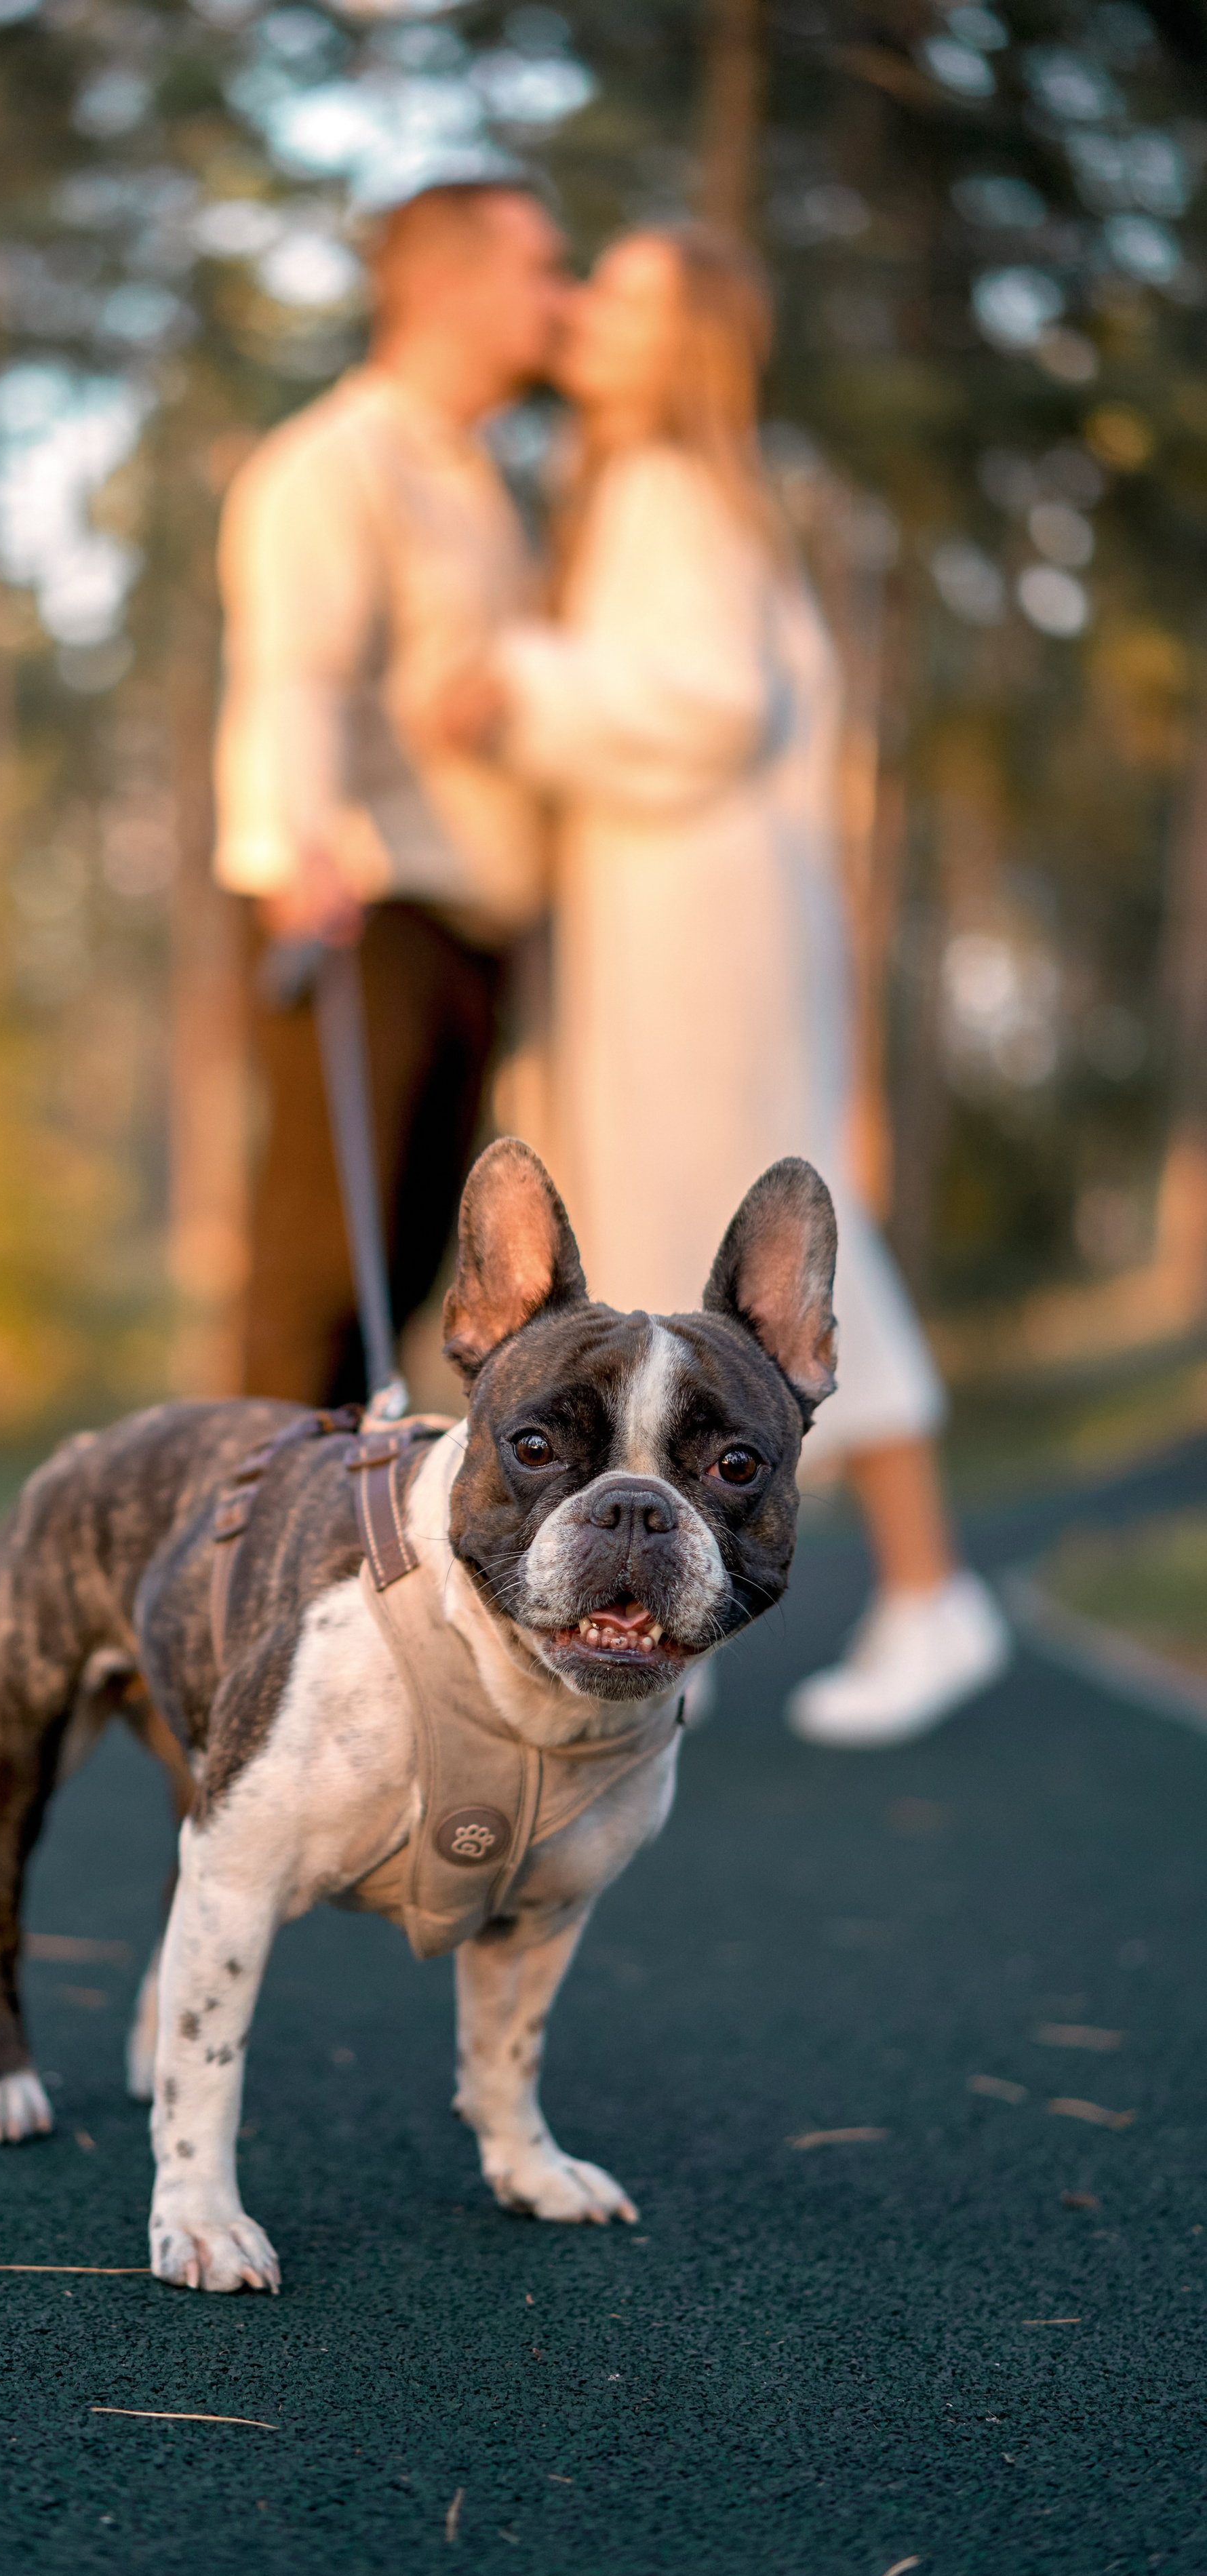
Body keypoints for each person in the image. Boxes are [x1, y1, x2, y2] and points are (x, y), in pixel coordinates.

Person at [441, 226, 1010, 1749]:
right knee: (710, 1249)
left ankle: (925, 1587)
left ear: (685, 336)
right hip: (688, 914)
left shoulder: (665, 486)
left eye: (619, 294)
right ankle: (721, 1594)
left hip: (698, 925)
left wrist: (515, 688)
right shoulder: (674, 489)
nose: (582, 310)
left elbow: (704, 705)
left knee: (769, 1280)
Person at [212, 173, 569, 1408]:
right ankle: (250, 1581)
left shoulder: (475, 478)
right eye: (540, 270)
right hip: (361, 907)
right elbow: (296, 673)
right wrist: (307, 846)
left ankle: (331, 1573)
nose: (560, 300)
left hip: (463, 922)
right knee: (322, 1279)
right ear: (448, 287)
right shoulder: (335, 461)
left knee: (404, 1279)